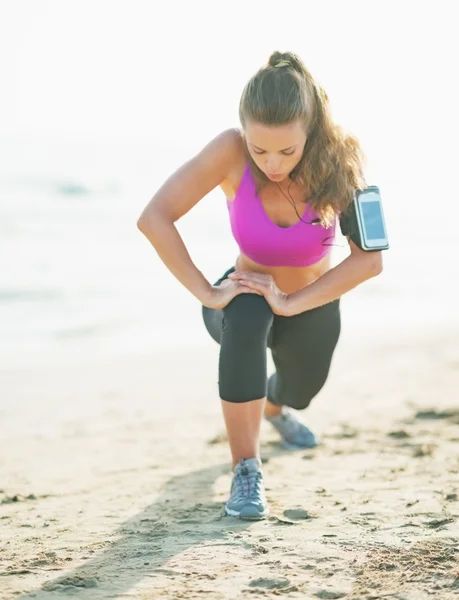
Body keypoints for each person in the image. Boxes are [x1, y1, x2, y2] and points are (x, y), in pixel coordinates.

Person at [137, 51, 383, 521]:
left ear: (310, 132)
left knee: (304, 389)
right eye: (259, 149)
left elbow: (370, 260)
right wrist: (207, 293)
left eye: (287, 152)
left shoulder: (339, 161)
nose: (272, 163)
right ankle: (246, 469)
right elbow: (154, 218)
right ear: (244, 133)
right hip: (245, 294)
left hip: (309, 304)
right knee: (248, 315)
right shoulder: (229, 150)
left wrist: (291, 303)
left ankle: (275, 407)